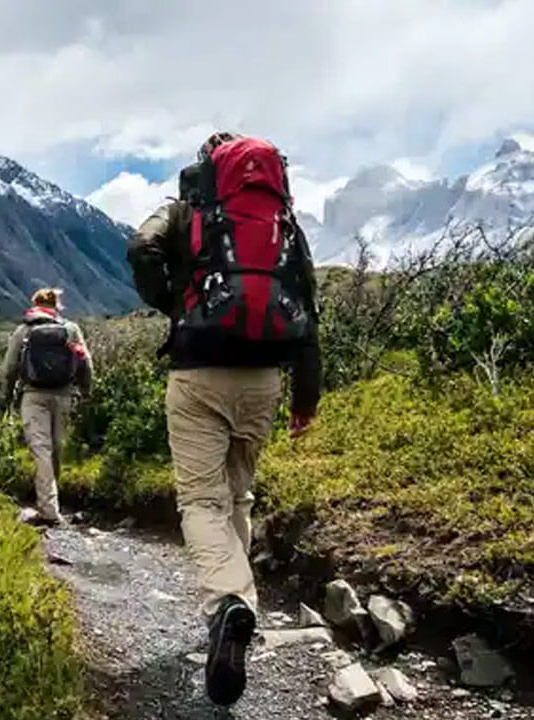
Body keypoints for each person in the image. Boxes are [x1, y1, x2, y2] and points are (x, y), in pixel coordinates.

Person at [128, 132, 321, 707]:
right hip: (264, 378)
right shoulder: (281, 220)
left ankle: (229, 604)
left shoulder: (188, 209)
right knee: (238, 497)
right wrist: (304, 399)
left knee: (201, 501)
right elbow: (307, 306)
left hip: (198, 374)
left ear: (207, 166)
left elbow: (141, 247)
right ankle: (235, 607)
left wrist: (174, 303)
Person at [1, 288, 93, 527]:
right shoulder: (70, 329)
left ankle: (49, 510)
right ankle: (52, 503)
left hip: (33, 396)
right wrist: (86, 391)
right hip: (64, 395)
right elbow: (86, 362)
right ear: (57, 305)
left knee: (41, 449)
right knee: (57, 448)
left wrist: (7, 399)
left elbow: (9, 368)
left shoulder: (24, 330)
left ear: (35, 304)